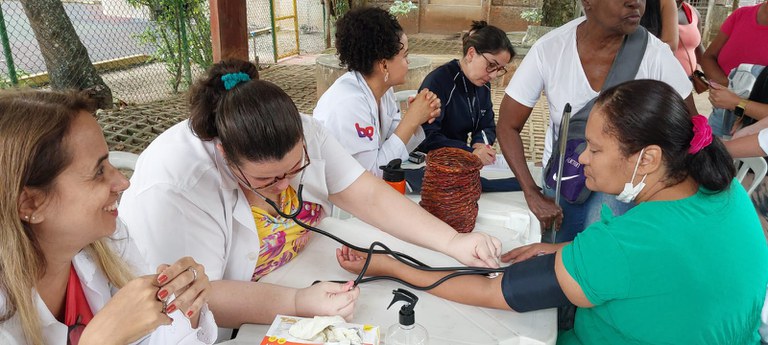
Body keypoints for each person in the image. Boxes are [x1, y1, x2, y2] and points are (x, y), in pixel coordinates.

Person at [337, 80, 768, 344]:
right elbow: (661, 271)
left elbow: (493, 292)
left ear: (648, 158)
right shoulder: (726, 192)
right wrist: (561, 254)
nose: (580, 159)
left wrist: (392, 266)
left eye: (595, 148)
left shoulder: (622, 245)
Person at [118, 59, 502, 331]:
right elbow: (197, 298)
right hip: (231, 320)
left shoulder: (303, 130)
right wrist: (296, 303)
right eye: (267, 180)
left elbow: (365, 195)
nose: (285, 187)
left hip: (307, 273)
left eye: (295, 169)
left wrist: (453, 242)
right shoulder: (175, 187)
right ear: (225, 157)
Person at [0, 90, 216, 344]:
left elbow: (152, 339)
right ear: (31, 203)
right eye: (98, 171)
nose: (123, 182)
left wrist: (185, 305)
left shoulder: (108, 241)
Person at [496, 0, 693, 243]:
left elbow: (692, 131)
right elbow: (507, 125)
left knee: (602, 269)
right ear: (588, 2)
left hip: (621, 193)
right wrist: (531, 192)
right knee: (557, 263)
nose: (635, 4)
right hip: (564, 183)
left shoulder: (655, 55)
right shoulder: (551, 49)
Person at [313, 7, 441, 177]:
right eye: (404, 56)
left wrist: (419, 117)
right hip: (336, 198)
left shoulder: (383, 91)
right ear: (384, 65)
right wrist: (410, 119)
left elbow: (395, 150)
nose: (408, 62)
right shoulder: (348, 104)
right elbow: (371, 174)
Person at [413, 21, 514, 166]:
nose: (493, 75)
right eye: (491, 65)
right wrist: (468, 152)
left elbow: (487, 125)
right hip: (431, 163)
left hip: (461, 161)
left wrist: (481, 144)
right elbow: (425, 136)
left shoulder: (482, 83)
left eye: (500, 69)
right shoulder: (439, 81)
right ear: (471, 54)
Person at [701, 2, 768, 136]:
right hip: (721, 114)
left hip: (760, 131)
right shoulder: (741, 15)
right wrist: (729, 88)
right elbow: (708, 57)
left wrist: (738, 102)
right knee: (709, 154)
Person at [673, 0, 704, 79]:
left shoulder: (693, 13)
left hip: (690, 79)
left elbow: (699, 47)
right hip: (664, 82)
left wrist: (708, 71)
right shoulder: (654, 13)